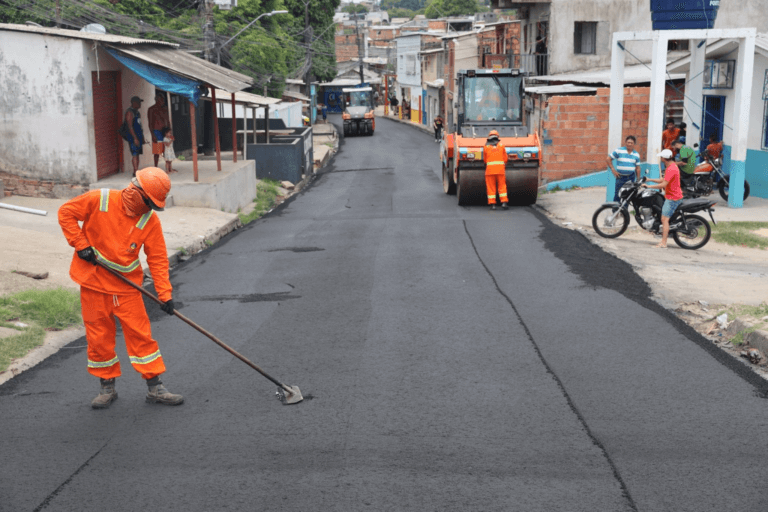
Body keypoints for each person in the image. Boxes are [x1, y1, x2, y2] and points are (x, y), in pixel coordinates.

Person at [58, 167, 184, 409]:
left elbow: (157, 258)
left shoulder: (149, 220)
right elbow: (65, 213)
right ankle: (107, 387)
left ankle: (155, 387)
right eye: (149, 202)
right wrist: (81, 244)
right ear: (137, 193)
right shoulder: (100, 199)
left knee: (141, 336)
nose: (150, 208)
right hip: (93, 283)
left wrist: (165, 294)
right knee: (98, 337)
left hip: (126, 288)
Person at [644, 149, 683, 248]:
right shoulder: (672, 166)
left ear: (664, 158)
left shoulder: (671, 169)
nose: (660, 158)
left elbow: (663, 184)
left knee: (664, 219)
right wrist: (650, 180)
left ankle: (663, 243)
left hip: (673, 198)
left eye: (661, 157)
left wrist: (649, 187)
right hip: (672, 195)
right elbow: (663, 179)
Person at [607, 135, 641, 203]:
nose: (629, 144)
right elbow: (608, 159)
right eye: (628, 142)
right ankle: (615, 212)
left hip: (630, 178)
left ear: (634, 144)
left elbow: (637, 168)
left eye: (631, 143)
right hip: (620, 177)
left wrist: (638, 180)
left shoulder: (636, 154)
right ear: (625, 143)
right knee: (617, 195)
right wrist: (613, 170)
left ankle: (624, 213)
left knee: (627, 197)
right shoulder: (619, 151)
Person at [483, 130, 509, 210]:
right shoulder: (501, 146)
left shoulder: (486, 147)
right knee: (502, 186)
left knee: (491, 187)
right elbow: (505, 159)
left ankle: (492, 204)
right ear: (497, 137)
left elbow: (485, 159)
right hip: (500, 170)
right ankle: (504, 202)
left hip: (490, 171)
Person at [147, 92, 171, 168]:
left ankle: (168, 167)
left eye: (163, 99)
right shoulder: (151, 109)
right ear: (157, 100)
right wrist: (152, 135)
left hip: (165, 131)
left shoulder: (164, 109)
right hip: (156, 131)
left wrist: (169, 132)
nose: (163, 101)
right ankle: (156, 167)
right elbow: (150, 123)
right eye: (161, 99)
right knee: (157, 152)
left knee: (167, 150)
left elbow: (168, 120)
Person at [124, 96, 145, 177]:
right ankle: (135, 171)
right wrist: (135, 138)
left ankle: (137, 170)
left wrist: (142, 137)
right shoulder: (129, 112)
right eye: (139, 102)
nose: (140, 104)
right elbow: (130, 126)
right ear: (134, 103)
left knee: (138, 153)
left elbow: (139, 125)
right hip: (133, 137)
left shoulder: (137, 112)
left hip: (139, 135)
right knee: (135, 153)